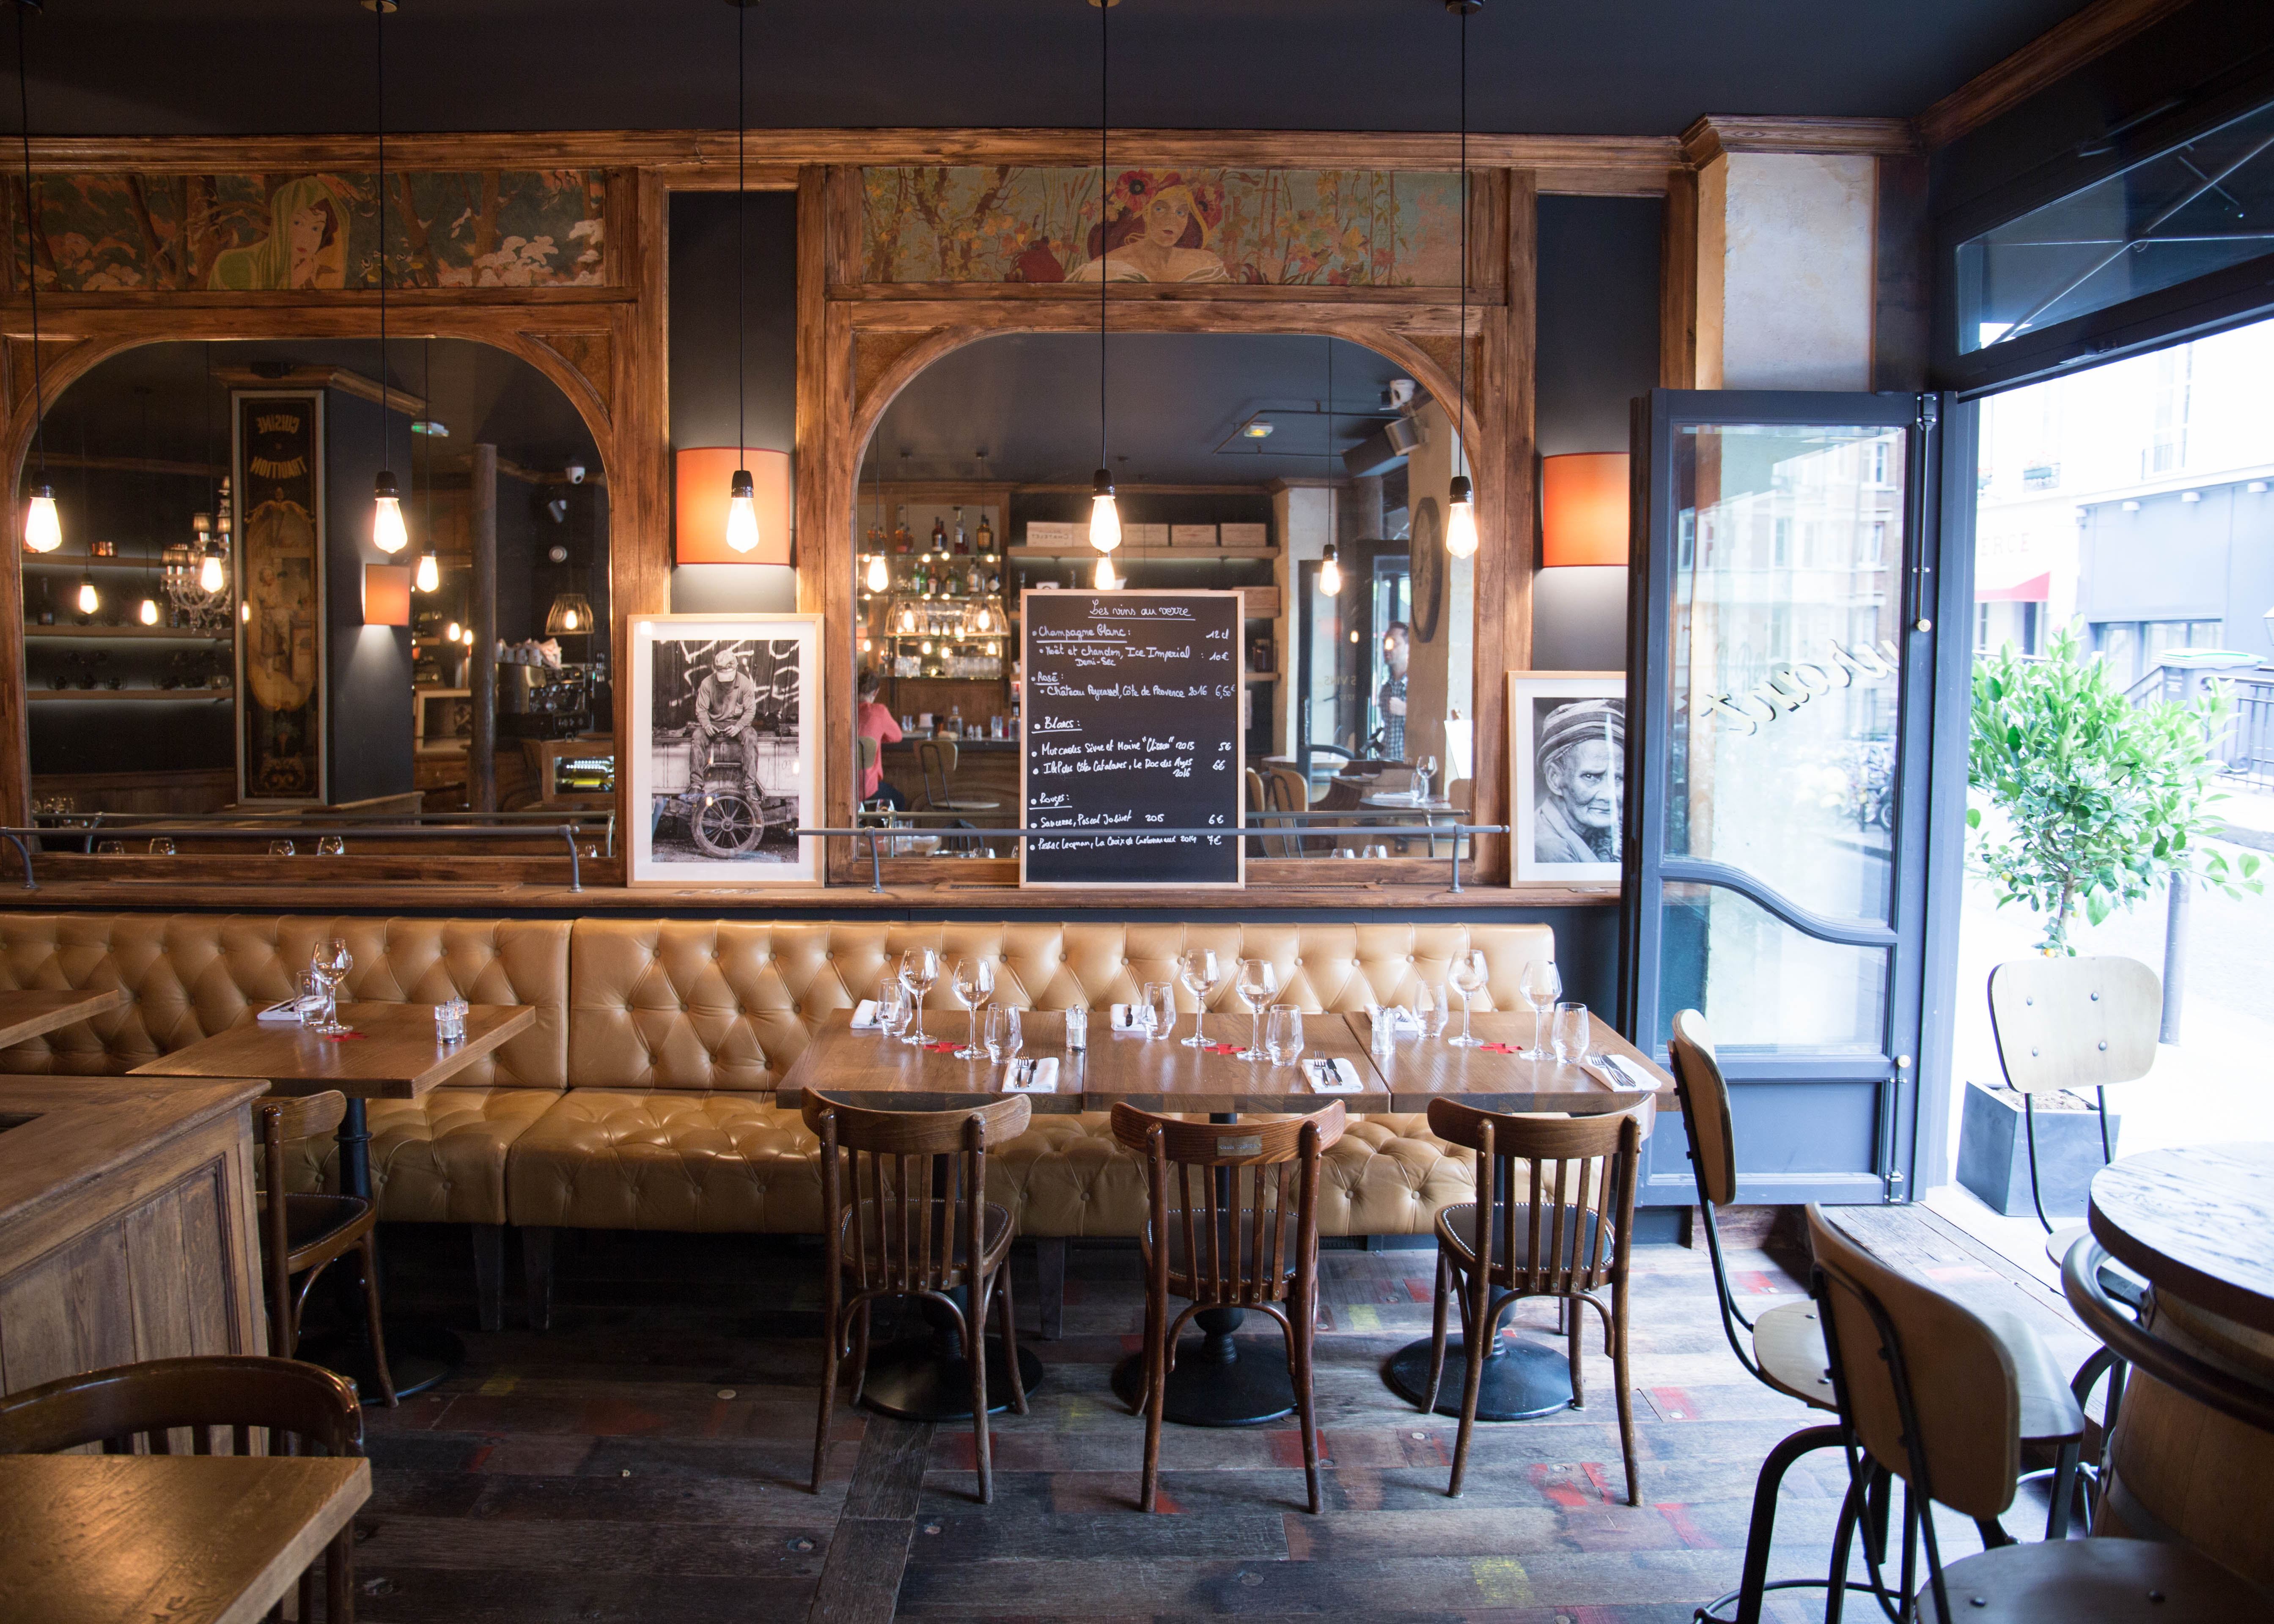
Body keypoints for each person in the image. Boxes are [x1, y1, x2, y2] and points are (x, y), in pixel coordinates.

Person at [1070, 179, 1234, 284]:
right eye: (1161, 209)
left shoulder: (1206, 264)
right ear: (1146, 214)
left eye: (1181, 213)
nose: (1172, 221)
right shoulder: (1107, 266)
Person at [1534, 699, 1624, 864]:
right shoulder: (1550, 849)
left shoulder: (1596, 829)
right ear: (1555, 778)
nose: (1609, 795)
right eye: (1591, 777)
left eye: (1618, 778)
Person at [693, 647, 766, 806]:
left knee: (751, 736)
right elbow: (701, 710)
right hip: (714, 724)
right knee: (697, 736)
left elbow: (750, 711)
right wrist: (707, 726)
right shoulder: (707, 684)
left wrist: (739, 727)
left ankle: (750, 786)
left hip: (737, 724)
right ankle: (696, 786)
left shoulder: (745, 684)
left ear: (736, 669)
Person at [856, 668, 905, 809]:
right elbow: (897, 736)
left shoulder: (846, 711)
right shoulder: (879, 711)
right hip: (868, 787)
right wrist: (877, 737)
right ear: (876, 692)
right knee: (900, 800)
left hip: (845, 784)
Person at [1378, 623, 1410, 761]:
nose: (1387, 648)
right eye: (1386, 643)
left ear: (1409, 647)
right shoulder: (1386, 689)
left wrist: (1406, 710)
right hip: (1387, 763)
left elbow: (1433, 719)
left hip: (1409, 765)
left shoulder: (1418, 685)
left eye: (1394, 644)